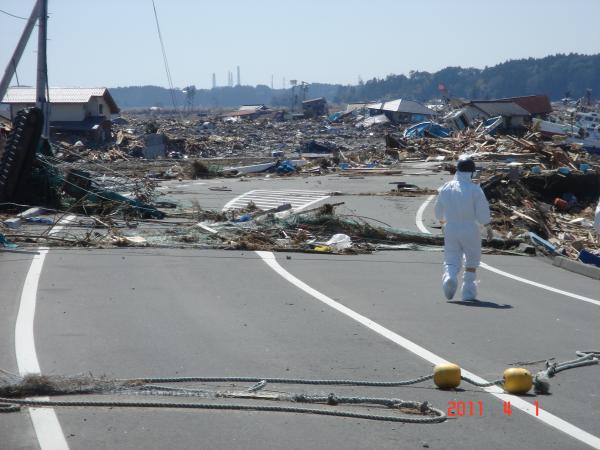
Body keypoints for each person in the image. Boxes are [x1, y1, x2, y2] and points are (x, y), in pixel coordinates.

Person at [434, 156, 491, 301]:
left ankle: (450, 276)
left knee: (452, 256)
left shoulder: (446, 187)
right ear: (472, 172)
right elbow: (482, 211)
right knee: (472, 259)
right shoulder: (475, 190)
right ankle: (468, 292)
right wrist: (488, 226)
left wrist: (442, 222)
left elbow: (438, 209)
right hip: (470, 228)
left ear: (457, 170)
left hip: (451, 227)